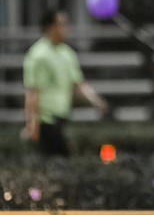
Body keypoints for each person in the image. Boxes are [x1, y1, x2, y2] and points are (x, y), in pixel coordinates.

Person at [23, 9, 108, 156]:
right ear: (49, 27)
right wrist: (32, 124)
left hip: (63, 117)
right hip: (46, 120)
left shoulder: (67, 53)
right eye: (62, 24)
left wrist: (96, 100)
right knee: (57, 159)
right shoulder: (38, 55)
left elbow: (78, 83)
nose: (67, 28)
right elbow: (32, 92)